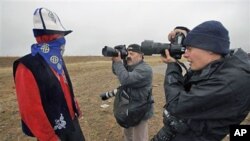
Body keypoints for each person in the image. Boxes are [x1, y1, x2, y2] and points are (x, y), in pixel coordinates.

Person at [151, 20, 250, 141]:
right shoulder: (218, 65)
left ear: (210, 49)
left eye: (189, 49)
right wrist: (184, 34)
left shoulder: (230, 81)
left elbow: (176, 105)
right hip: (176, 133)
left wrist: (172, 66)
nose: (185, 54)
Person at [13, 8, 85, 141]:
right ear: (48, 37)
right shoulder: (27, 66)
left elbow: (65, 85)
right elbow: (31, 111)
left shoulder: (56, 59)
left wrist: (75, 107)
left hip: (72, 123)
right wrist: (49, 138)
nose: (63, 41)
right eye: (60, 36)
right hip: (55, 133)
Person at [111, 44, 154, 141]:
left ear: (141, 55)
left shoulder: (145, 69)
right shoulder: (129, 66)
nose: (128, 56)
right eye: (127, 53)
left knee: (139, 138)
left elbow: (126, 79)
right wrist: (115, 60)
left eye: (132, 53)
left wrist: (118, 62)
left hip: (140, 110)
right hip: (128, 107)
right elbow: (116, 71)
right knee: (128, 135)